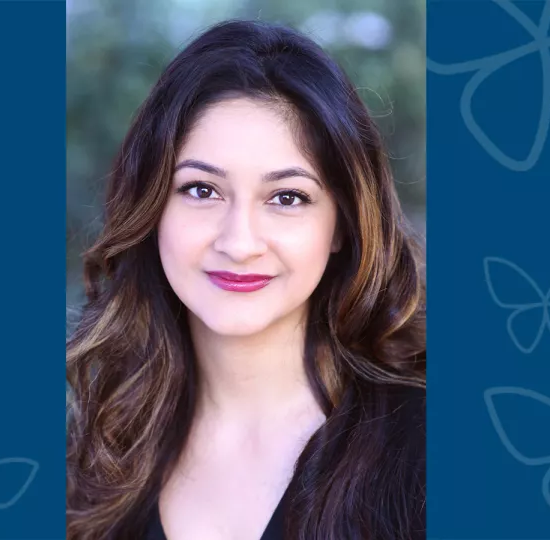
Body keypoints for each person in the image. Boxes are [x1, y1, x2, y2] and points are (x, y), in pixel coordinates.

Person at [66, 18, 426, 540]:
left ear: (342, 227)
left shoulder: (433, 450)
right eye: (201, 190)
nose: (238, 242)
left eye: (287, 198)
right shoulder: (92, 457)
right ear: (151, 208)